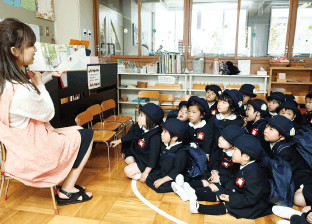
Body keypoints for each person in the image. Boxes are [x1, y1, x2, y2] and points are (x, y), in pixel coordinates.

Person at [0, 18, 94, 206]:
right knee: (87, 134)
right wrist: (42, 84)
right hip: (36, 152)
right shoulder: (21, 91)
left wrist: (50, 76)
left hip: (19, 148)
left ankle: (67, 186)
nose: (35, 50)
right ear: (15, 51)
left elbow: (30, 92)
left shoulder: (7, 83)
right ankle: (67, 190)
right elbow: (48, 112)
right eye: (31, 45)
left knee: (77, 129)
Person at [187, 135, 272, 219]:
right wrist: (227, 192)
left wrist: (230, 198)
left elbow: (251, 198)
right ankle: (194, 194)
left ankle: (199, 208)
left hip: (255, 202)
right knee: (222, 193)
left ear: (246, 156)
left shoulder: (255, 174)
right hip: (241, 194)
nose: (232, 152)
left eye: (235, 150)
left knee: (228, 205)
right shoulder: (245, 164)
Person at [171, 125, 243, 201]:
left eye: (224, 139)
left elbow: (234, 177)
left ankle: (190, 194)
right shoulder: (222, 150)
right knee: (205, 181)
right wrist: (214, 171)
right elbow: (217, 162)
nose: (220, 139)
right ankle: (183, 186)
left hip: (225, 182)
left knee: (213, 186)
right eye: (221, 136)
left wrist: (219, 179)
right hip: (217, 175)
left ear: (232, 145)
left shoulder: (236, 159)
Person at [264, 115, 312, 210]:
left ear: (282, 137)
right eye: (267, 126)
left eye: (271, 129)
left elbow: (284, 178)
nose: (266, 130)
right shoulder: (275, 145)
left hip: (304, 181)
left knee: (297, 199)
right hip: (298, 182)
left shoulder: (285, 151)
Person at [113, 103, 164, 182]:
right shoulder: (143, 127)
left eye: (141, 116)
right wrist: (119, 141)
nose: (138, 117)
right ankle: (138, 168)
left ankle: (147, 176)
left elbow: (153, 157)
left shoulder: (155, 137)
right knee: (128, 159)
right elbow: (132, 136)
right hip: (140, 156)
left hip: (147, 162)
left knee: (127, 171)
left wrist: (146, 172)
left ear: (150, 120)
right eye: (139, 114)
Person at [204, 89, 244, 171]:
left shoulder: (238, 121)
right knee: (212, 168)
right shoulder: (214, 119)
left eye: (224, 102)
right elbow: (208, 136)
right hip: (215, 150)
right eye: (219, 101)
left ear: (232, 108)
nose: (219, 104)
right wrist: (207, 152)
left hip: (230, 152)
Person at [145, 118, 188, 193]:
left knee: (161, 188)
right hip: (162, 173)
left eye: (165, 132)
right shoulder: (164, 145)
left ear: (174, 137)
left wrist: (163, 180)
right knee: (148, 178)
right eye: (162, 131)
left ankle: (178, 186)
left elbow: (177, 170)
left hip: (172, 176)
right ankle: (174, 186)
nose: (161, 134)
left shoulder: (181, 152)